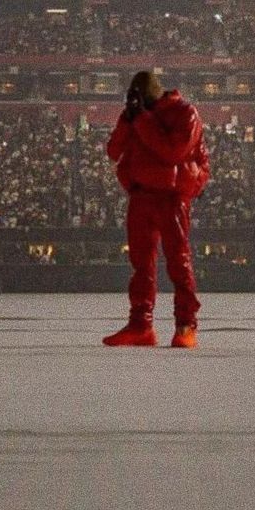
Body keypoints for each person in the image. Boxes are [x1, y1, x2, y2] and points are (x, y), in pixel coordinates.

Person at [102, 71, 210, 348]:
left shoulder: (185, 112)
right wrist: (127, 119)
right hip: (142, 194)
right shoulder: (139, 116)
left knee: (178, 261)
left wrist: (140, 119)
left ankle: (186, 325)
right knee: (141, 264)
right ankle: (140, 325)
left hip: (171, 196)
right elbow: (114, 151)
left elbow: (172, 152)